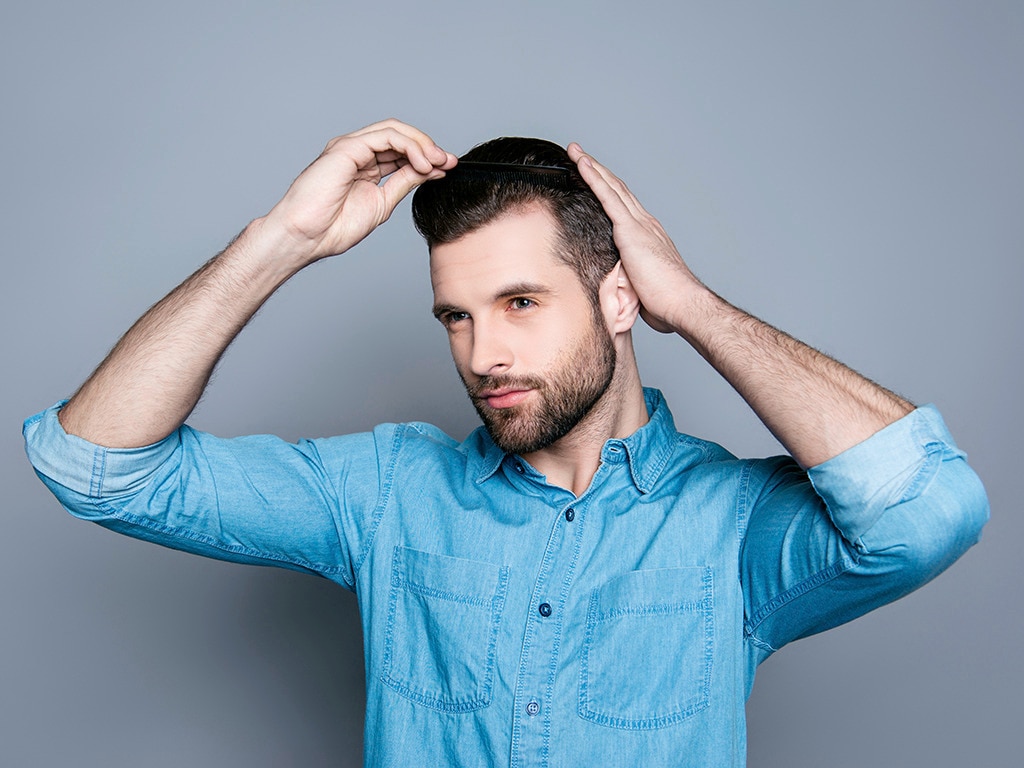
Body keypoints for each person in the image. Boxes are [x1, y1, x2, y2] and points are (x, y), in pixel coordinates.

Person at [23, 119, 988, 767]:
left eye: (520, 302)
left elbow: (928, 513)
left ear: (619, 297)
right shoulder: (388, 492)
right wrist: (283, 239)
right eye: (456, 315)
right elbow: (97, 466)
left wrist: (691, 307)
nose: (484, 354)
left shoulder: (732, 524)